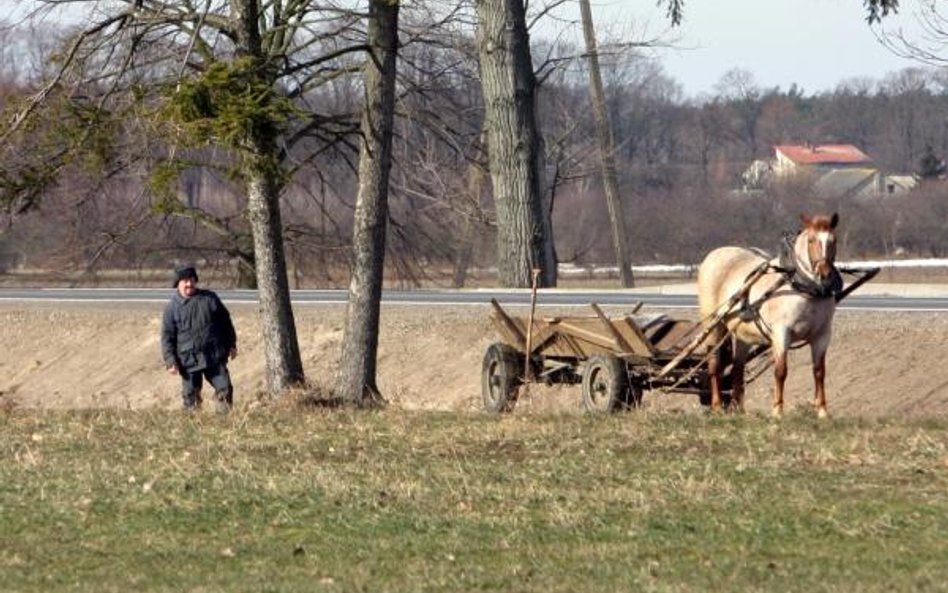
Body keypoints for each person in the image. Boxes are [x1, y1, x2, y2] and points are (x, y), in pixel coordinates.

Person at [161, 265, 238, 412]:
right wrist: (170, 361)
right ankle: (194, 427)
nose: (189, 284)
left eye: (192, 280)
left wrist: (231, 344)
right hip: (188, 361)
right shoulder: (171, 309)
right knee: (191, 397)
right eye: (185, 281)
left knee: (225, 389)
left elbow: (225, 323)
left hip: (213, 356)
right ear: (177, 284)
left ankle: (224, 425)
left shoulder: (210, 299)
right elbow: (167, 337)